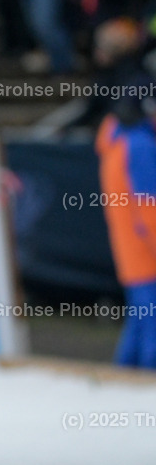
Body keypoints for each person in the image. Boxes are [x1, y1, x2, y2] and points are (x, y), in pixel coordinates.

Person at [95, 80, 156, 369]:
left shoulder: (116, 141)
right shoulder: (140, 146)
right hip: (146, 252)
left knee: (140, 323)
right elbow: (148, 210)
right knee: (150, 330)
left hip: (130, 249)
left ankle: (118, 385)